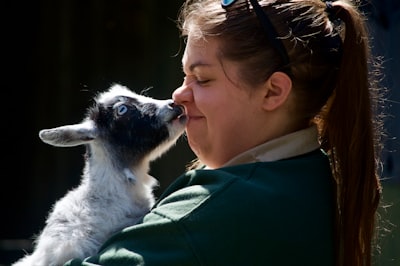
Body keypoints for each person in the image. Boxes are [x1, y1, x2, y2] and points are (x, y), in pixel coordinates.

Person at [65, 0, 384, 265]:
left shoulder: (213, 210)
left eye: (202, 79)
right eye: (185, 74)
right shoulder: (315, 176)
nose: (179, 94)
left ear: (273, 91)